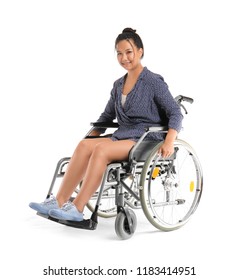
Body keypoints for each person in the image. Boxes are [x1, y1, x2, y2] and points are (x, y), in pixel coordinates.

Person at [29, 28, 183, 222]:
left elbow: (175, 112)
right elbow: (107, 115)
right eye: (119, 53)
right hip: (123, 135)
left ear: (140, 51)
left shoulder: (153, 81)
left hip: (146, 139)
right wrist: (92, 134)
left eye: (128, 52)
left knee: (101, 150)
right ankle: (59, 200)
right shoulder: (118, 84)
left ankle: (77, 208)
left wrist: (169, 140)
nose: (124, 57)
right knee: (85, 145)